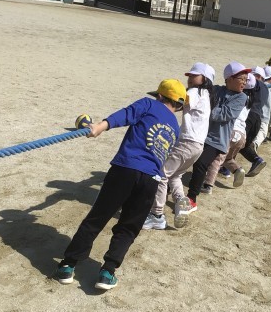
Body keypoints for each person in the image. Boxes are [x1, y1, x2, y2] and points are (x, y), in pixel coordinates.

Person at [56, 79, 187, 290]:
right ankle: (107, 272)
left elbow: (125, 114)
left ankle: (68, 265)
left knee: (98, 216)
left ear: (160, 96)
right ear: (179, 105)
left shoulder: (148, 104)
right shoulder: (175, 127)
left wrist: (100, 126)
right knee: (129, 226)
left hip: (125, 168)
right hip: (151, 180)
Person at [143, 63, 215, 230]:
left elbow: (178, 102)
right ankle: (181, 203)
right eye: (189, 75)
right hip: (198, 146)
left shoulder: (196, 92)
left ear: (205, 79)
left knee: (162, 174)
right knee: (175, 175)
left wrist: (162, 100)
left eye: (194, 75)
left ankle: (156, 215)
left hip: (186, 142)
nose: (190, 78)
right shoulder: (207, 96)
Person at [184, 62, 249, 214]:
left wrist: (204, 107)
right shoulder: (216, 90)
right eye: (242, 78)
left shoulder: (241, 97)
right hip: (200, 134)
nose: (245, 82)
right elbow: (198, 94)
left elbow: (223, 115)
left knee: (200, 163)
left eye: (246, 79)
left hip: (217, 140)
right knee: (182, 159)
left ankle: (192, 199)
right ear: (229, 78)